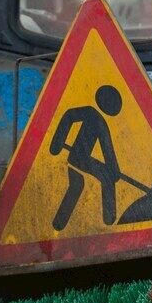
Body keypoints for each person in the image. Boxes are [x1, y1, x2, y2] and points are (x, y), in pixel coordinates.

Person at [49, 85, 123, 231]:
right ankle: (109, 219)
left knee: (77, 185)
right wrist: (57, 144)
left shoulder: (99, 121)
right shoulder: (93, 115)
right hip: (80, 157)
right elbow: (68, 116)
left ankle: (58, 224)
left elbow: (107, 150)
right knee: (106, 178)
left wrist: (114, 170)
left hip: (78, 157)